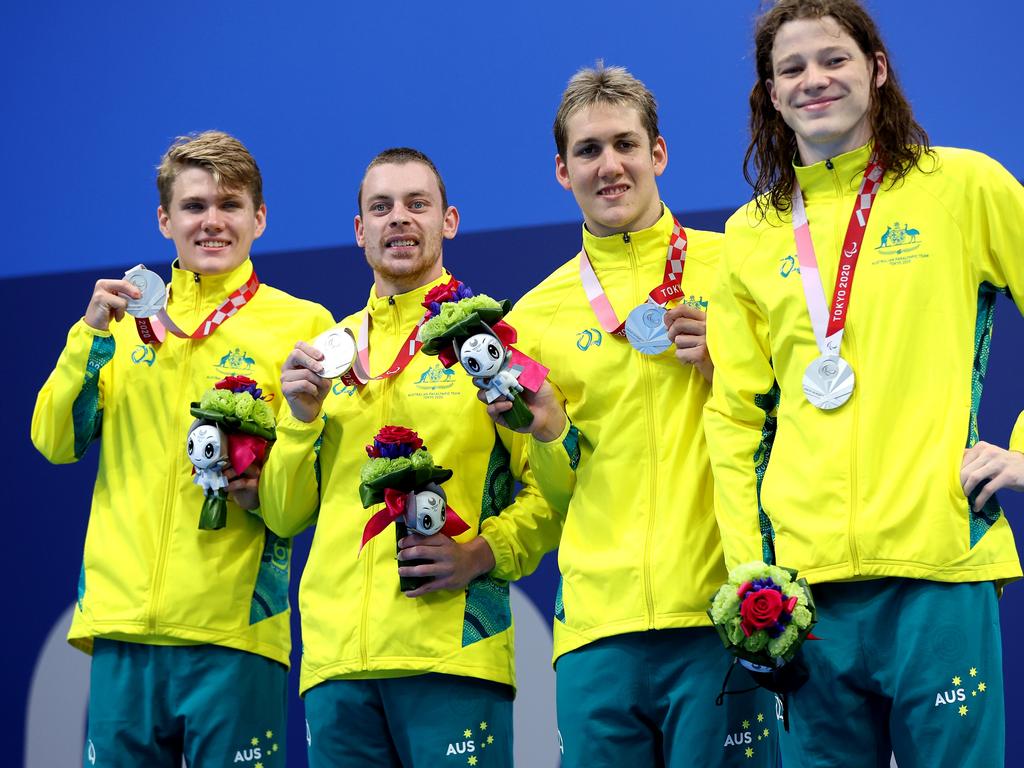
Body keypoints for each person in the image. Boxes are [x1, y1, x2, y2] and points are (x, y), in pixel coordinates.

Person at [704, 2, 1024, 765]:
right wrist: (756, 573)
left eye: (834, 59)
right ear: (771, 95)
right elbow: (735, 417)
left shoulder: (964, 186)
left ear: (876, 70)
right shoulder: (750, 236)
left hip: (937, 569)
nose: (815, 79)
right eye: (792, 69)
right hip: (807, 598)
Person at [484, 65, 778, 767]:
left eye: (625, 144)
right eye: (588, 151)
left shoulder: (738, 265)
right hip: (596, 634)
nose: (609, 165)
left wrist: (730, 369)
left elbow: (802, 422)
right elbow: (548, 500)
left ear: (659, 154)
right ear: (562, 170)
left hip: (724, 615)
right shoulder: (533, 318)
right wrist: (551, 432)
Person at [31, 130, 334, 766]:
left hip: (234, 629)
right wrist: (88, 336)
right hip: (123, 627)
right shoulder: (118, 325)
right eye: (195, 207)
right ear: (165, 219)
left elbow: (304, 492)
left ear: (261, 218)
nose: (212, 221)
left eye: (230, 205)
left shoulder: (303, 325)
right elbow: (55, 442)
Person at [259, 147, 560, 768]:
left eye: (417, 204)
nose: (399, 219)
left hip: (452, 654)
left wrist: (481, 553)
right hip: (337, 665)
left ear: (449, 221)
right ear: (359, 231)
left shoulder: (495, 344)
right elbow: (285, 517)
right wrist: (300, 420)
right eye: (381, 207)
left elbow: (553, 490)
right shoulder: (326, 357)